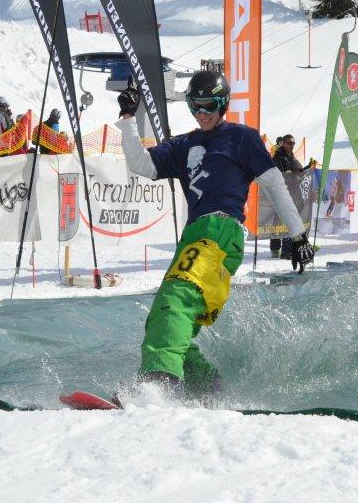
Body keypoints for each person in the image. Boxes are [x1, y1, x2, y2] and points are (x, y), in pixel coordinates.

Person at [113, 71, 315, 400]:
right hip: (194, 236)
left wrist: (298, 236)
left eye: (209, 106)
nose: (203, 114)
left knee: (175, 300)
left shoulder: (241, 138)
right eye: (196, 107)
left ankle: (160, 383)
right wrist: (127, 118)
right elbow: (141, 165)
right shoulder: (183, 145)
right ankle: (207, 387)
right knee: (164, 315)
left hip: (220, 231)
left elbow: (274, 184)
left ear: (223, 105)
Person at [269, 134, 316, 258]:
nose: (292, 146)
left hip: (291, 194)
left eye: (293, 143)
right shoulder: (278, 157)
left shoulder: (292, 157)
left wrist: (308, 167)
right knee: (278, 221)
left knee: (287, 220)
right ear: (283, 143)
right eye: (290, 143)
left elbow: (298, 171)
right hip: (279, 193)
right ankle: (276, 249)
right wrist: (287, 173)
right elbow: (277, 174)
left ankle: (286, 250)